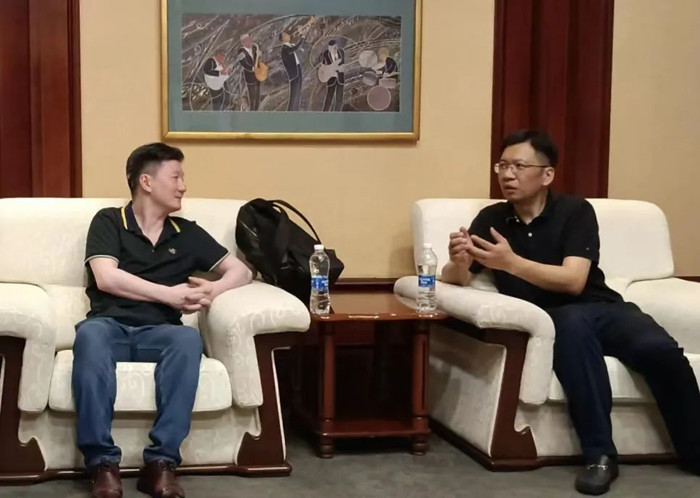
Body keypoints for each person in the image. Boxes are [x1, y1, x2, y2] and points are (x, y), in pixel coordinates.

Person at [441, 129, 700, 495]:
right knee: (572, 328)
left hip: (603, 307)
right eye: (502, 165)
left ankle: (695, 450)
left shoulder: (575, 211)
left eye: (519, 166)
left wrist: (511, 263)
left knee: (660, 351)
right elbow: (457, 279)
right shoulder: (491, 219)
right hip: (554, 318)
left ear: (547, 174)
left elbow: (574, 281)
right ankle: (599, 456)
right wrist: (458, 262)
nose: (507, 175)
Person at [73, 142, 253, 498]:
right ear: (146, 182)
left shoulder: (186, 233)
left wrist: (214, 289)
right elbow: (106, 278)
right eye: (176, 177)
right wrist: (169, 295)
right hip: (110, 326)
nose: (183, 186)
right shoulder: (110, 220)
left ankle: (161, 463)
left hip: (161, 332)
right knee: (89, 336)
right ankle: (102, 464)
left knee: (188, 339)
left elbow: (242, 271)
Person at [279, 29, 304, 111]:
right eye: (285, 35)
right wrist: (302, 37)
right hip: (293, 73)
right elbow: (295, 48)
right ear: (282, 39)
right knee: (294, 94)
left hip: (297, 69)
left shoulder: (289, 46)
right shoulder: (285, 48)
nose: (288, 35)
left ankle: (296, 110)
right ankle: (290, 111)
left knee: (298, 92)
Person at [237, 34, 261, 110]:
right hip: (250, 77)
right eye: (247, 40)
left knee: (257, 97)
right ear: (243, 42)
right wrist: (252, 68)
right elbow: (243, 63)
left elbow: (256, 59)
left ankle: (256, 111)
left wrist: (258, 54)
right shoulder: (241, 52)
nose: (250, 41)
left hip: (257, 76)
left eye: (249, 39)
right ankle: (252, 112)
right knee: (252, 98)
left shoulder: (253, 48)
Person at [321, 40, 345, 112]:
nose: (334, 50)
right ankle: (324, 114)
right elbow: (322, 66)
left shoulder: (341, 51)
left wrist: (342, 68)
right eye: (331, 48)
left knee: (339, 99)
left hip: (340, 78)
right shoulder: (326, 53)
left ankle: (336, 114)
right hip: (331, 78)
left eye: (335, 48)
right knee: (329, 98)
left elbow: (343, 63)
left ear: (336, 46)